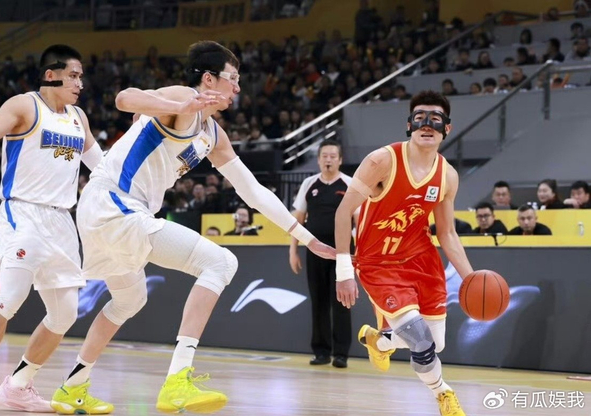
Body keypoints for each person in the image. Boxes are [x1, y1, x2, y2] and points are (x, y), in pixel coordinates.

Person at [50, 40, 335, 415]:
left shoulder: (213, 135)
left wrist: (306, 237)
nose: (237, 87)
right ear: (209, 79)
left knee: (130, 300)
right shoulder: (183, 96)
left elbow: (254, 192)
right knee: (221, 262)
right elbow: (123, 98)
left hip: (113, 212)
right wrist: (174, 106)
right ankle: (177, 381)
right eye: (232, 78)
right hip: (113, 203)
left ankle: (72, 386)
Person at [0, 44, 104, 415]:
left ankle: (18, 385)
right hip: (24, 213)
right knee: (10, 299)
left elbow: (103, 167)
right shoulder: (24, 106)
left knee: (65, 314)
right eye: (73, 75)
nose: (80, 83)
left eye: (81, 76)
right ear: (51, 75)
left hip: (62, 220)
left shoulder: (78, 117)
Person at [334, 91, 474, 416]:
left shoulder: (447, 175)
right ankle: (443, 394)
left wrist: (470, 278)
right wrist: (344, 272)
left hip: (422, 260)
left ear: (447, 129)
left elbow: (447, 234)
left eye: (435, 119)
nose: (427, 124)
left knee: (436, 343)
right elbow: (343, 213)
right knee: (421, 342)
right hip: (378, 262)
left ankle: (380, 340)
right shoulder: (381, 161)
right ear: (409, 124)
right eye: (420, 117)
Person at [289, 139, 355, 368]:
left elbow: (360, 220)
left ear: (340, 160)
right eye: (324, 156)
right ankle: (321, 352)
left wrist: (358, 252)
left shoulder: (349, 184)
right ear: (318, 160)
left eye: (332, 156)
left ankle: (341, 354)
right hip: (315, 251)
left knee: (342, 301)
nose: (328, 160)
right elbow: (297, 220)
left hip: (342, 253)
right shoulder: (309, 184)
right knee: (318, 301)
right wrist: (293, 251)